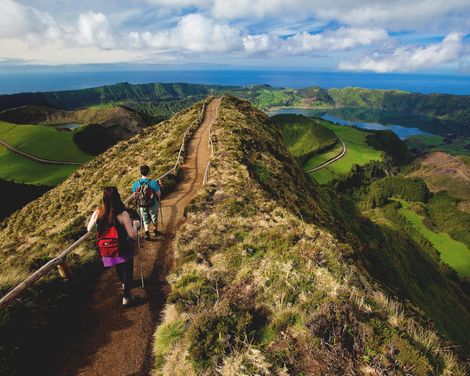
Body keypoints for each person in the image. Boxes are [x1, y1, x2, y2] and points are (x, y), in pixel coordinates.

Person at [87, 186, 139, 307]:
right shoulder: (122, 213)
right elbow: (132, 235)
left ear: (104, 198)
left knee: (119, 268)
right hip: (123, 246)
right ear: (118, 197)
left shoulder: (98, 212)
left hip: (108, 248)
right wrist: (135, 226)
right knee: (128, 270)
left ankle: (124, 287)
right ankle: (126, 296)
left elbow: (89, 229)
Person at [132, 165, 161, 241]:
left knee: (145, 219)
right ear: (148, 172)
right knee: (154, 216)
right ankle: (155, 230)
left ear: (141, 172)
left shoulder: (136, 184)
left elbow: (136, 194)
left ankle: (147, 233)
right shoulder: (153, 182)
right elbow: (159, 194)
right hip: (152, 203)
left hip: (142, 204)